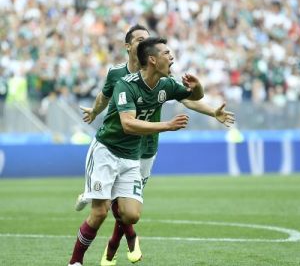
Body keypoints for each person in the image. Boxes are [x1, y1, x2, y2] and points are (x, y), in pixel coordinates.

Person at [75, 25, 234, 266]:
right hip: (112, 146)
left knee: (130, 212)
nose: (145, 42)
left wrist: (210, 107)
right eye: (140, 39)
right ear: (131, 47)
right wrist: (95, 112)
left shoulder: (164, 81)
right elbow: (111, 105)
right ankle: (89, 254)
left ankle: (105, 204)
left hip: (142, 148)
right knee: (101, 210)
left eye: (147, 39)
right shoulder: (120, 78)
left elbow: (191, 97)